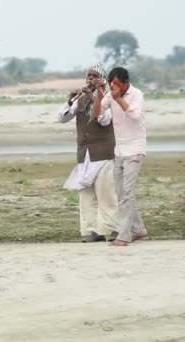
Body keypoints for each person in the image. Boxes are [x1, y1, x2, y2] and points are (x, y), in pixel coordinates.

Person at [57, 63, 118, 243]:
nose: (90, 79)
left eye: (94, 76)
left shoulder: (109, 97)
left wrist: (94, 97)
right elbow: (62, 118)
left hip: (104, 154)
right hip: (85, 155)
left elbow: (104, 120)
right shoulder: (80, 99)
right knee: (86, 196)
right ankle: (91, 231)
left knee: (106, 195)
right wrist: (70, 101)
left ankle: (111, 229)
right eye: (88, 76)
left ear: (103, 79)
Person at [93, 67, 147, 246]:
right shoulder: (111, 94)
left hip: (135, 150)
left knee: (127, 194)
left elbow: (134, 115)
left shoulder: (136, 94)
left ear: (126, 82)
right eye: (111, 84)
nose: (113, 87)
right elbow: (98, 115)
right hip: (120, 151)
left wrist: (118, 99)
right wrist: (101, 94)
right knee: (122, 193)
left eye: (116, 84)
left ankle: (124, 235)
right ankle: (138, 229)